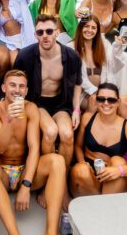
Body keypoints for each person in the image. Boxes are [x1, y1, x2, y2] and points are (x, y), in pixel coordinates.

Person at [0, 71, 67, 235]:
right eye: (12, 85)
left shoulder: (30, 109)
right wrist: (9, 118)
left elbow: (34, 148)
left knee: (57, 160)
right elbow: (0, 148)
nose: (17, 90)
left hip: (24, 171)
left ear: (27, 90)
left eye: (21, 86)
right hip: (2, 171)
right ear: (4, 88)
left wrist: (26, 186)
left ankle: (51, 234)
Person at [14, 15, 82, 167]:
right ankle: (49, 172)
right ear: (35, 35)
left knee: (67, 134)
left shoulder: (71, 56)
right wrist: (19, 106)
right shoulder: (25, 56)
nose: (45, 36)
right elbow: (15, 82)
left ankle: (62, 176)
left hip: (61, 102)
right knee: (51, 132)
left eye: (49, 31)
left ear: (57, 33)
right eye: (40, 32)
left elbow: (78, 84)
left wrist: (76, 110)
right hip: (36, 102)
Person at [69, 83, 127, 197]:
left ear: (118, 102)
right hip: (86, 176)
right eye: (101, 99)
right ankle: (104, 206)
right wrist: (82, 161)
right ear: (96, 100)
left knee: (119, 161)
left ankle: (100, 206)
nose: (106, 103)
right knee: (81, 169)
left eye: (111, 100)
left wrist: (120, 171)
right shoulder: (87, 118)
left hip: (111, 178)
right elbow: (78, 146)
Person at [69, 14, 127, 107]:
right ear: (80, 28)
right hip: (82, 94)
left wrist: (117, 46)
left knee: (120, 105)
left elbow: (115, 66)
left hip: (103, 91)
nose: (90, 30)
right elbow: (75, 77)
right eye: (86, 26)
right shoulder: (71, 47)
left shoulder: (104, 44)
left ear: (97, 30)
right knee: (96, 104)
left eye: (93, 28)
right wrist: (96, 92)